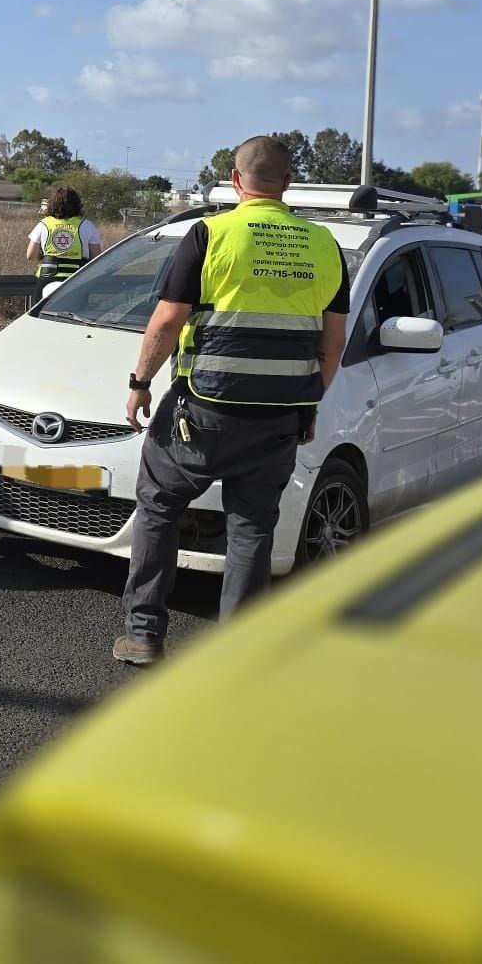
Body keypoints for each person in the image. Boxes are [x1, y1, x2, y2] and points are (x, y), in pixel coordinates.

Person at [113, 135, 349, 666]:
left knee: (158, 507)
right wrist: (308, 405)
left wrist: (139, 381)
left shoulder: (210, 233)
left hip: (205, 407)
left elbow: (169, 320)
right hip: (279, 415)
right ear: (288, 185)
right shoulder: (323, 245)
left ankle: (144, 633)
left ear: (236, 180)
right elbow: (331, 344)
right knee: (252, 526)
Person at [26, 186, 101, 284]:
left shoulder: (43, 224)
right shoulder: (87, 225)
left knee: (42, 300)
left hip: (48, 278)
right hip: (77, 280)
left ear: (53, 203)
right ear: (77, 204)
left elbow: (30, 256)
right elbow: (97, 258)